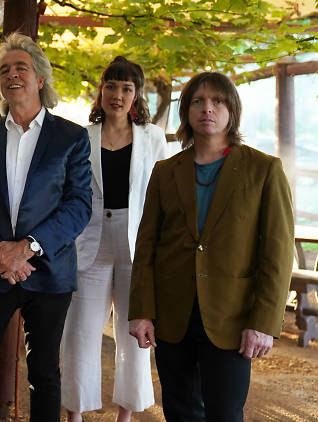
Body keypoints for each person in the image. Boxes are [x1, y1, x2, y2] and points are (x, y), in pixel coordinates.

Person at [128, 72, 294, 422]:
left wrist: (263, 322)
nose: (208, 108)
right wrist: (142, 309)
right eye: (198, 101)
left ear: (232, 110)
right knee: (180, 411)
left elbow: (277, 256)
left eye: (218, 101)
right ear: (186, 111)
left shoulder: (264, 170)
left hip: (232, 318)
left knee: (225, 414)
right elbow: (146, 247)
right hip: (173, 317)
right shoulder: (165, 171)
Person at [0, 33, 92, 422]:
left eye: (22, 67)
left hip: (49, 271)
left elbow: (79, 205)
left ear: (40, 79)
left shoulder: (72, 137)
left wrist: (29, 247)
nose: (12, 74)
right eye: (4, 70)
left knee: (45, 375)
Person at [60, 56, 167, 422]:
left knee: (134, 333)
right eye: (111, 86)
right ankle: (74, 414)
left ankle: (125, 415)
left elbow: (161, 192)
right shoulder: (81, 136)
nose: (117, 95)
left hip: (137, 241)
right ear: (100, 90)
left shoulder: (152, 136)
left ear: (136, 95)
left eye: (126, 88)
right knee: (78, 335)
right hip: (89, 240)